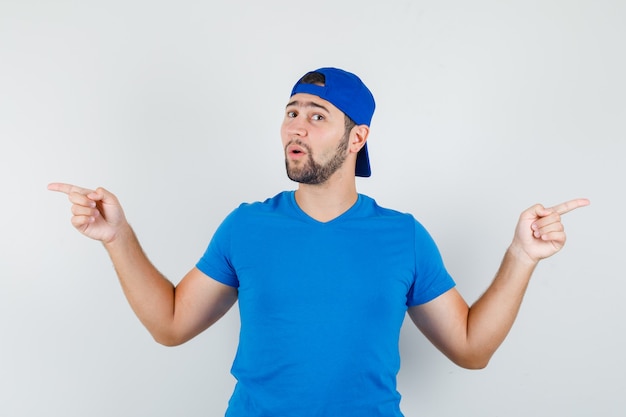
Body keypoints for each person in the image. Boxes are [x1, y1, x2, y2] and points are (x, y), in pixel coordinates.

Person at [49, 67, 589, 417]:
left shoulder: (403, 235)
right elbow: (170, 326)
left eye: (316, 115)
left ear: (358, 138)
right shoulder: (246, 226)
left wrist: (521, 257)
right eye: (290, 113)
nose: (295, 128)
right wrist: (116, 237)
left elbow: (471, 350)